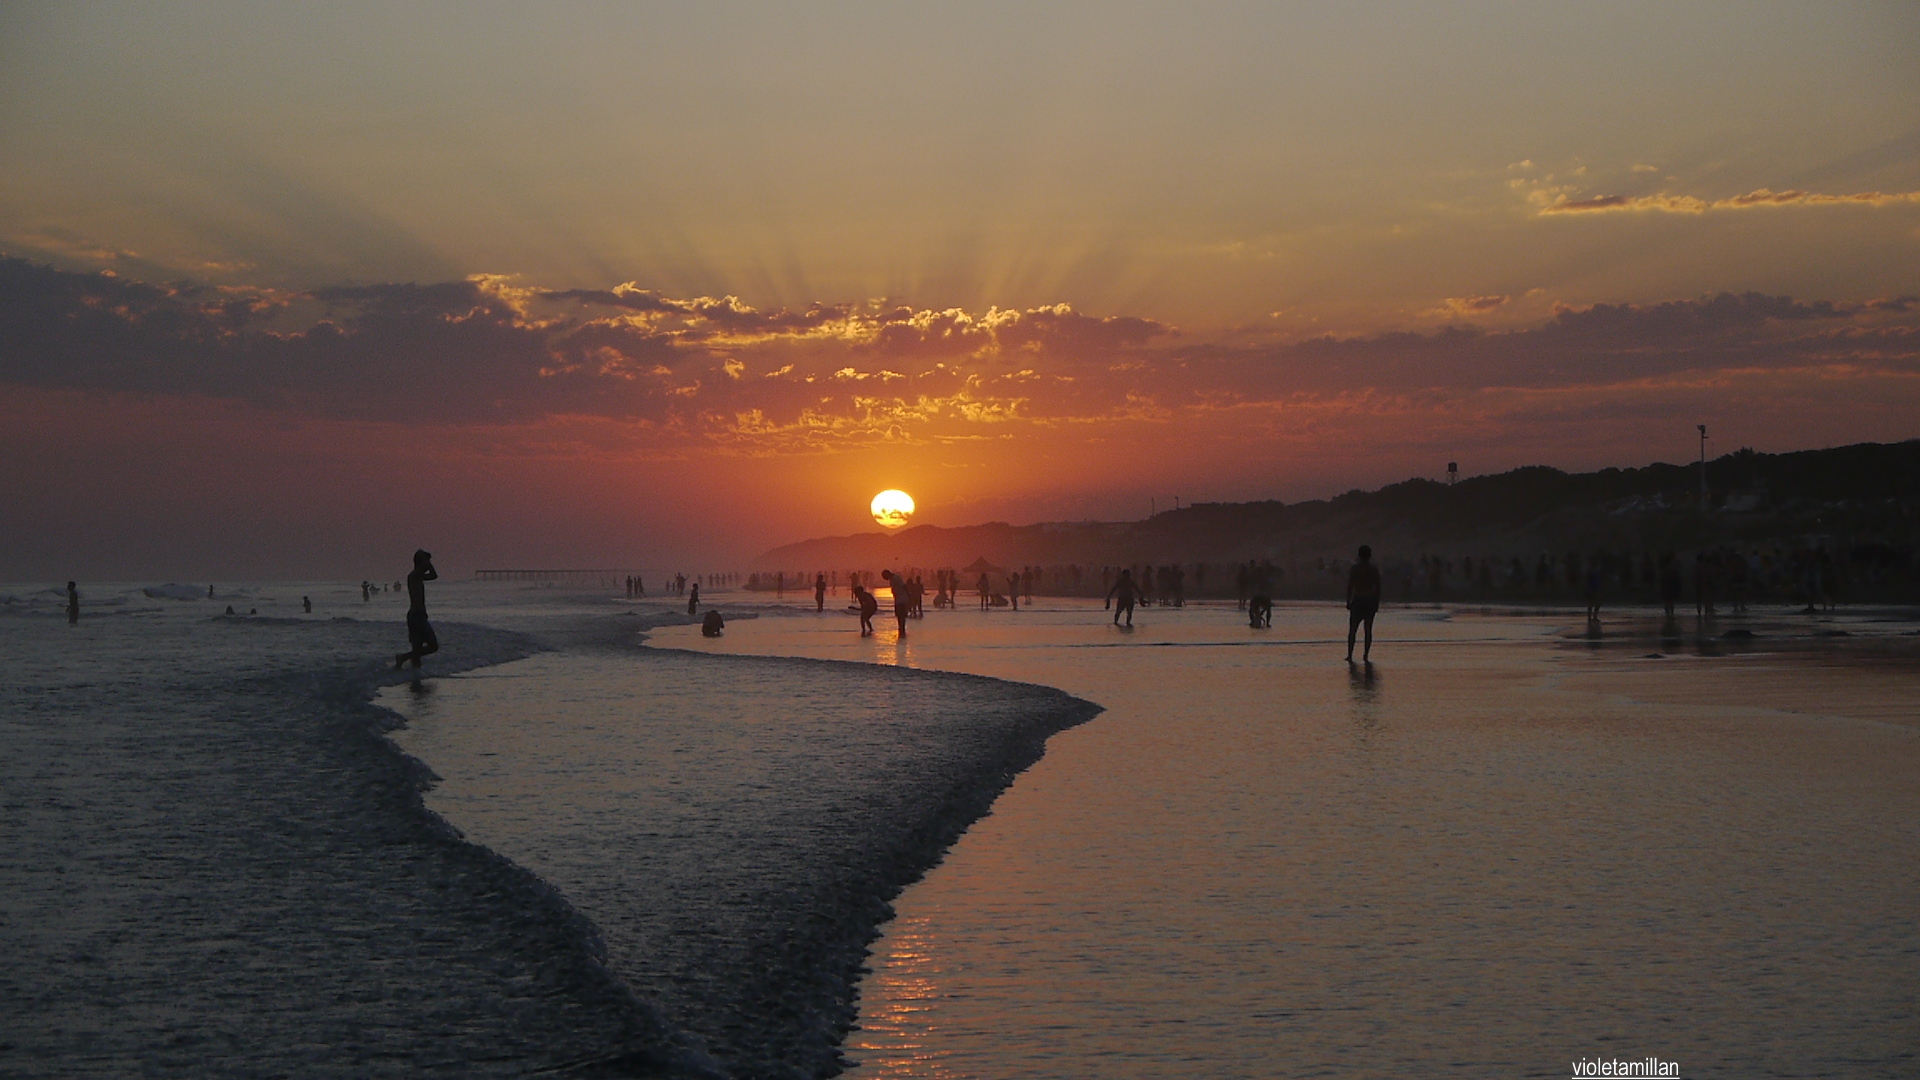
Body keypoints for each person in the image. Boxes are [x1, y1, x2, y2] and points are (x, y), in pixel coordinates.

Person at [394, 549, 440, 670]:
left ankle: (415, 679)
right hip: (417, 616)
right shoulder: (413, 576)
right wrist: (427, 563)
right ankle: (402, 658)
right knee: (433, 646)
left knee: (417, 652)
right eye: (426, 562)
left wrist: (427, 562)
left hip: (418, 616)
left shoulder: (418, 577)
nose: (428, 565)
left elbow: (434, 576)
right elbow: (433, 573)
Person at [1345, 544, 1381, 663]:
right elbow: (1378, 587)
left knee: (1353, 629)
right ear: (1370, 556)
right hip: (1370, 600)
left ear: (1359, 555)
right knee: (1368, 629)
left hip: (1358, 599)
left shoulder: (1355, 569)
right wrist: (1377, 602)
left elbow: (1350, 586)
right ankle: (1365, 655)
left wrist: (1348, 600)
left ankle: (1350, 654)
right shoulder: (1374, 569)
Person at [882, 570, 909, 637]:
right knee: (899, 615)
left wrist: (908, 595)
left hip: (902, 599)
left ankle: (902, 629)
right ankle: (901, 628)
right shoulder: (892, 579)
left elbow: (903, 586)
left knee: (901, 615)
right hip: (898, 599)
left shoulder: (896, 578)